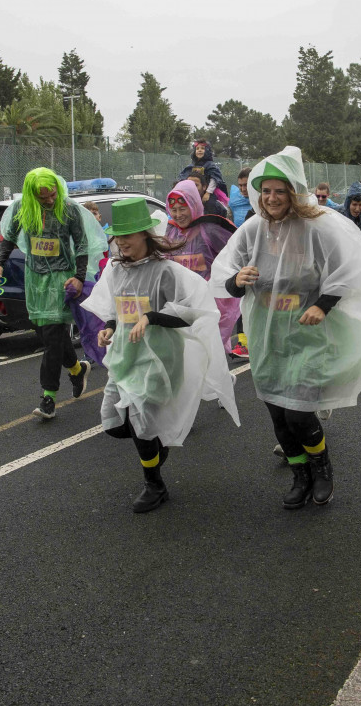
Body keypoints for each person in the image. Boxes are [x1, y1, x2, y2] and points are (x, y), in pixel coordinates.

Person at [209, 146, 361, 510]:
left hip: (310, 336)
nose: (272, 198)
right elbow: (225, 271)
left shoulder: (318, 227)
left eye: (280, 190)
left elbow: (351, 268)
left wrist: (323, 305)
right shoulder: (253, 229)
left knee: (298, 412)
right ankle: (299, 475)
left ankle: (322, 470)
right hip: (267, 334)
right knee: (277, 412)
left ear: (294, 191)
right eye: (266, 191)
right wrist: (236, 280)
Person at [82, 198, 239, 513]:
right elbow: (117, 309)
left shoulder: (166, 272)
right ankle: (157, 445)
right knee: (114, 424)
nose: (121, 242)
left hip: (159, 357)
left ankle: (154, 484)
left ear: (145, 234)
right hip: (126, 355)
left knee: (142, 425)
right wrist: (110, 327)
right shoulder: (116, 271)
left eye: (127, 235)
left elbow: (191, 313)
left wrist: (152, 318)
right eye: (117, 236)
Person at [0, 168, 107, 419]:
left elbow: (82, 244)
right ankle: (77, 370)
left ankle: (48, 398)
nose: (49, 200)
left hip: (61, 279)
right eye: (43, 197)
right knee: (47, 334)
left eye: (52, 195)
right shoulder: (23, 208)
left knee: (53, 336)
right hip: (35, 280)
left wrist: (78, 277)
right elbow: (9, 237)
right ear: (33, 194)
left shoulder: (69, 209)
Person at [165, 179, 242, 353]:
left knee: (208, 351)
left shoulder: (210, 228)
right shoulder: (171, 231)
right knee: (186, 352)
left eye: (183, 208)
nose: (178, 215)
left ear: (193, 204)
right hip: (181, 301)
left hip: (210, 304)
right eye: (174, 210)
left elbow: (236, 253)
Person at [178, 139, 228, 206]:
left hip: (210, 192)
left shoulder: (211, 165)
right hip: (193, 193)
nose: (199, 150)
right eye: (197, 148)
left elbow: (214, 179)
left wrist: (208, 193)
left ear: (207, 151)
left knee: (210, 204)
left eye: (202, 148)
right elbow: (183, 179)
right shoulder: (191, 166)